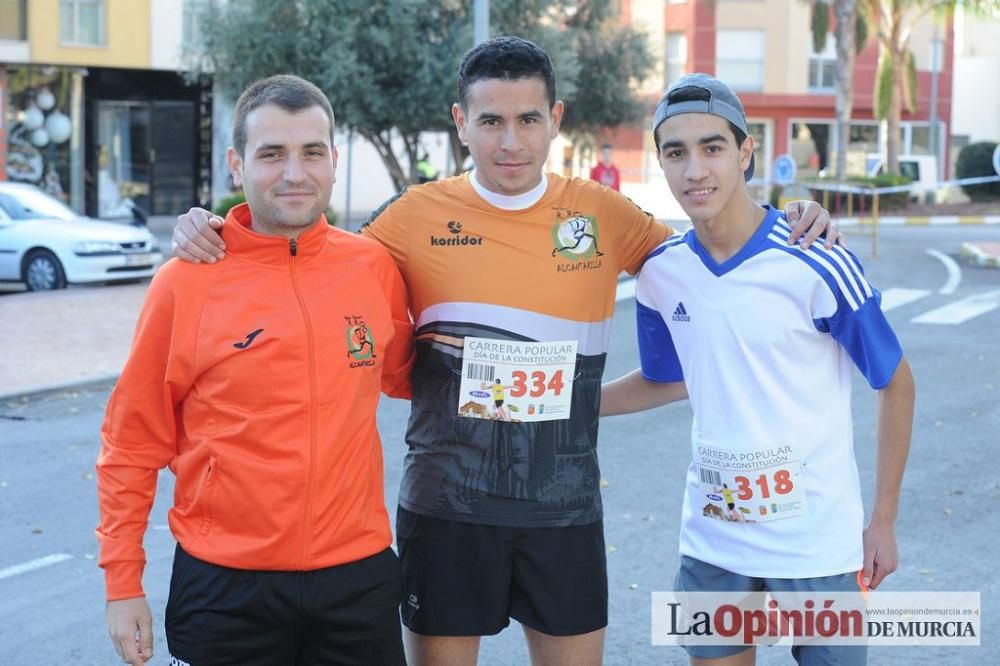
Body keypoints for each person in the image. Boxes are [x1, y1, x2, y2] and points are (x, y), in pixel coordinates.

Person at [171, 37, 840, 666]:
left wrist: (790, 217)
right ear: (461, 122)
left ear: (555, 119)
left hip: (564, 511)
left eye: (527, 119)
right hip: (446, 511)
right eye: (491, 121)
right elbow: (312, 260)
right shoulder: (411, 217)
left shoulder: (603, 214)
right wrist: (214, 225)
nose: (510, 142)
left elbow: (719, 260)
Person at [96, 75, 413, 666]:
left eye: (311, 152)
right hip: (224, 588)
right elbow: (131, 443)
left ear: (334, 161)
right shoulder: (185, 283)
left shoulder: (371, 267)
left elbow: (406, 376)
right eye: (272, 154)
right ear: (237, 165)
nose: (295, 173)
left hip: (357, 578)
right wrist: (122, 584)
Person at [600, 73, 915, 665]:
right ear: (661, 164)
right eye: (677, 152)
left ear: (745, 152)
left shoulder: (815, 259)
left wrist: (884, 522)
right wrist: (567, 399)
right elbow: (670, 377)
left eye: (712, 147)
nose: (695, 169)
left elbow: (895, 382)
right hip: (714, 541)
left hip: (818, 548)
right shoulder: (662, 273)